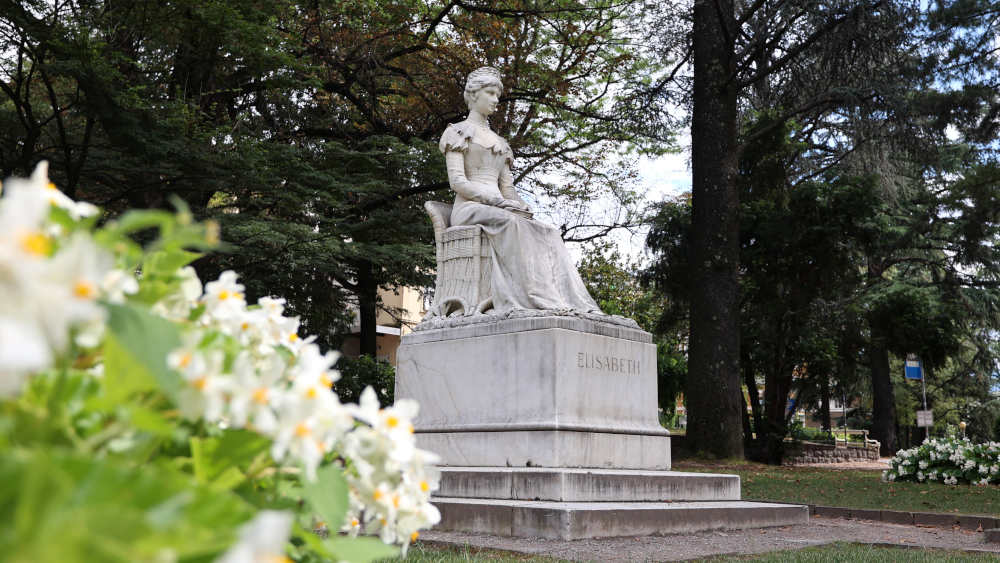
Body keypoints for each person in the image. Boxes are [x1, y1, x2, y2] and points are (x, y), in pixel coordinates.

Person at [439, 66, 601, 314]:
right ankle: (533, 297)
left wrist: (519, 204)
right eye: (490, 93)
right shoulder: (457, 132)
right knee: (512, 223)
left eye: (497, 95)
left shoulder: (500, 142)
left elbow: (507, 188)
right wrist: (493, 200)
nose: (495, 100)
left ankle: (568, 299)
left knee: (547, 231)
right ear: (473, 94)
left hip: (500, 208)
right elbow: (457, 182)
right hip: (470, 207)